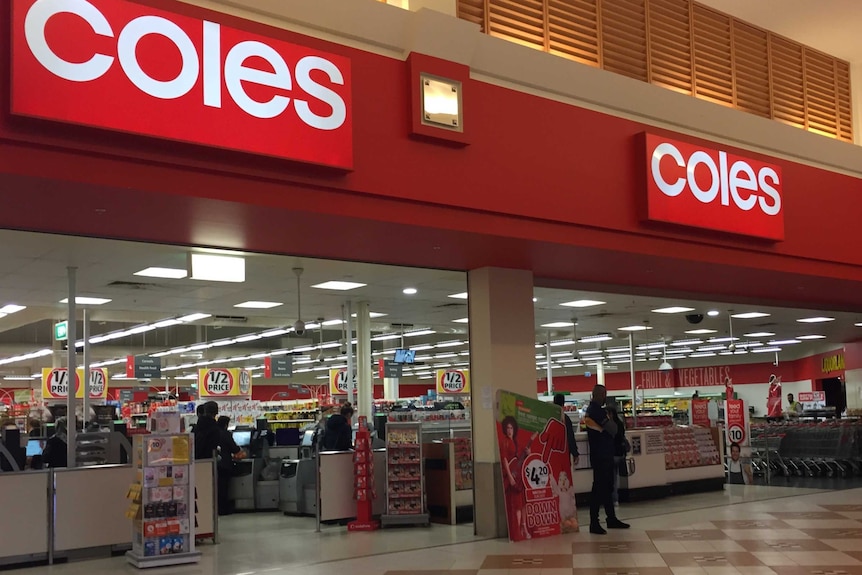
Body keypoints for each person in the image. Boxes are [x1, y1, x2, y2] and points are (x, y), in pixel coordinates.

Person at [584, 385, 629, 534]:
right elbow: (613, 429)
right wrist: (611, 422)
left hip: (603, 454)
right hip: (601, 455)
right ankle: (594, 522)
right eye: (604, 394)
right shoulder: (596, 411)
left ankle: (611, 518)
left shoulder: (593, 411)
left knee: (607, 487)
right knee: (599, 488)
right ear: (599, 395)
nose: (605, 397)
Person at [500, 415, 536, 540]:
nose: (509, 430)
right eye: (507, 428)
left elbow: (522, 457)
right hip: (512, 476)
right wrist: (510, 476)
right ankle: (518, 529)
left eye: (511, 428)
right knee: (516, 505)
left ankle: (523, 527)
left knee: (523, 503)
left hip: (519, 476)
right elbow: (505, 460)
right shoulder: (504, 442)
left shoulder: (516, 442)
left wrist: (529, 453)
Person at [215, 416, 245, 515]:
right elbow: (234, 448)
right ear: (225, 424)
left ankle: (218, 508)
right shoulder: (226, 434)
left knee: (218, 487)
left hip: (216, 463)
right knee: (224, 487)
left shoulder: (214, 433)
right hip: (225, 464)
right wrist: (240, 451)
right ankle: (223, 509)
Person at [608, 404, 628, 506]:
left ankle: (613, 498)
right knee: (616, 477)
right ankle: (617, 498)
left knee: (612, 478)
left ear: (611, 414)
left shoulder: (610, 425)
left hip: (612, 453)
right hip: (620, 454)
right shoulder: (620, 423)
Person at [553, 394, 579, 467]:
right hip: (564, 452)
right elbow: (570, 437)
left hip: (552, 453)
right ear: (563, 404)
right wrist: (575, 453)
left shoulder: (550, 418)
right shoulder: (565, 419)